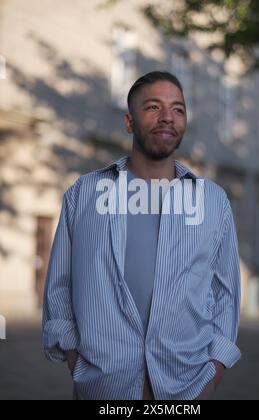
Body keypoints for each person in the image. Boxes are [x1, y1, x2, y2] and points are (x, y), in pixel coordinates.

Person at [42, 71, 241, 400]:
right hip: (104, 389)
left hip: (188, 390)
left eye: (178, 109)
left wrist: (213, 371)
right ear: (129, 122)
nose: (167, 117)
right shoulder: (84, 194)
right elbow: (60, 286)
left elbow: (226, 294)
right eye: (153, 107)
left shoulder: (213, 201)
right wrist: (77, 361)